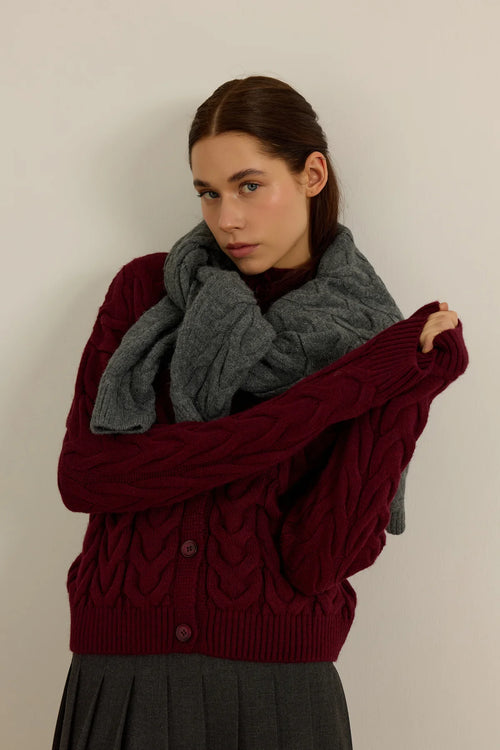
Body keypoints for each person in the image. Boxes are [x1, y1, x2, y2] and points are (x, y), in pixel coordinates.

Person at [52, 76, 466, 750]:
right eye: (209, 192)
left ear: (312, 175)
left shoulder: (373, 341)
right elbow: (89, 478)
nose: (227, 219)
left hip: (282, 692)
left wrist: (403, 391)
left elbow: (319, 560)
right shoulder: (146, 293)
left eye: (248, 186)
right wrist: (349, 386)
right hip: (121, 677)